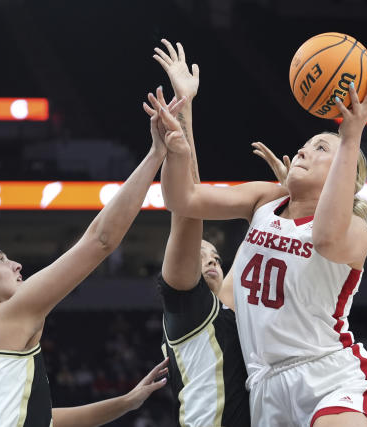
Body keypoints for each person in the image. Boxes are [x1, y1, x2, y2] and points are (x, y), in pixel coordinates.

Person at [0, 95, 187, 427]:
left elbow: (44, 419)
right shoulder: (6, 315)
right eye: (1, 258)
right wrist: (155, 154)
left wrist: (126, 401)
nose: (16, 264)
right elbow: (101, 240)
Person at [155, 74, 367, 426]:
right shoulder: (265, 200)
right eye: (307, 143)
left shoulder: (355, 230)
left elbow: (324, 237)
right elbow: (182, 199)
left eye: (322, 148)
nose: (305, 149)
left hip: (329, 375)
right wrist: (177, 147)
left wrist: (351, 135)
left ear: (344, 172)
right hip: (265, 386)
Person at [145, 39, 250, 427]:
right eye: (200, 254)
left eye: (215, 258)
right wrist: (184, 105)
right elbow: (189, 208)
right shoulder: (185, 304)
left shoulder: (223, 305)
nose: (209, 260)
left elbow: (260, 242)